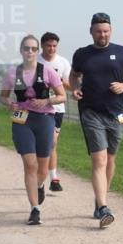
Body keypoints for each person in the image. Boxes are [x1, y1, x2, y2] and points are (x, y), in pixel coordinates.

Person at [70, 12, 123, 228]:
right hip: (91, 112)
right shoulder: (82, 54)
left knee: (110, 160)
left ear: (111, 31)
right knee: (99, 160)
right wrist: (75, 89)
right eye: (99, 31)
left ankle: (101, 200)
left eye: (106, 31)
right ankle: (103, 208)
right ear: (91, 31)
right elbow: (74, 76)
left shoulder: (122, 52)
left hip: (116, 114)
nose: (103, 35)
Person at [0, 35, 67, 225]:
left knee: (42, 168)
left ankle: (39, 185)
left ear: (37, 52)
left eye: (33, 49)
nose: (30, 52)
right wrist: (9, 104)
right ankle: (35, 209)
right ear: (21, 51)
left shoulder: (47, 71)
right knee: (30, 164)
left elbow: (62, 96)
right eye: (26, 48)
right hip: (22, 120)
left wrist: (46, 101)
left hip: (44, 119)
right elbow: (3, 97)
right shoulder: (12, 73)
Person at [39, 31, 72, 192]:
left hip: (57, 108)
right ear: (42, 46)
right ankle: (44, 175)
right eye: (48, 46)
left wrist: (59, 81)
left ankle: (53, 178)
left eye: (54, 46)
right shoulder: (34, 62)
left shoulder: (63, 62)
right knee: (45, 143)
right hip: (38, 108)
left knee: (52, 142)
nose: (51, 49)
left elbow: (71, 85)